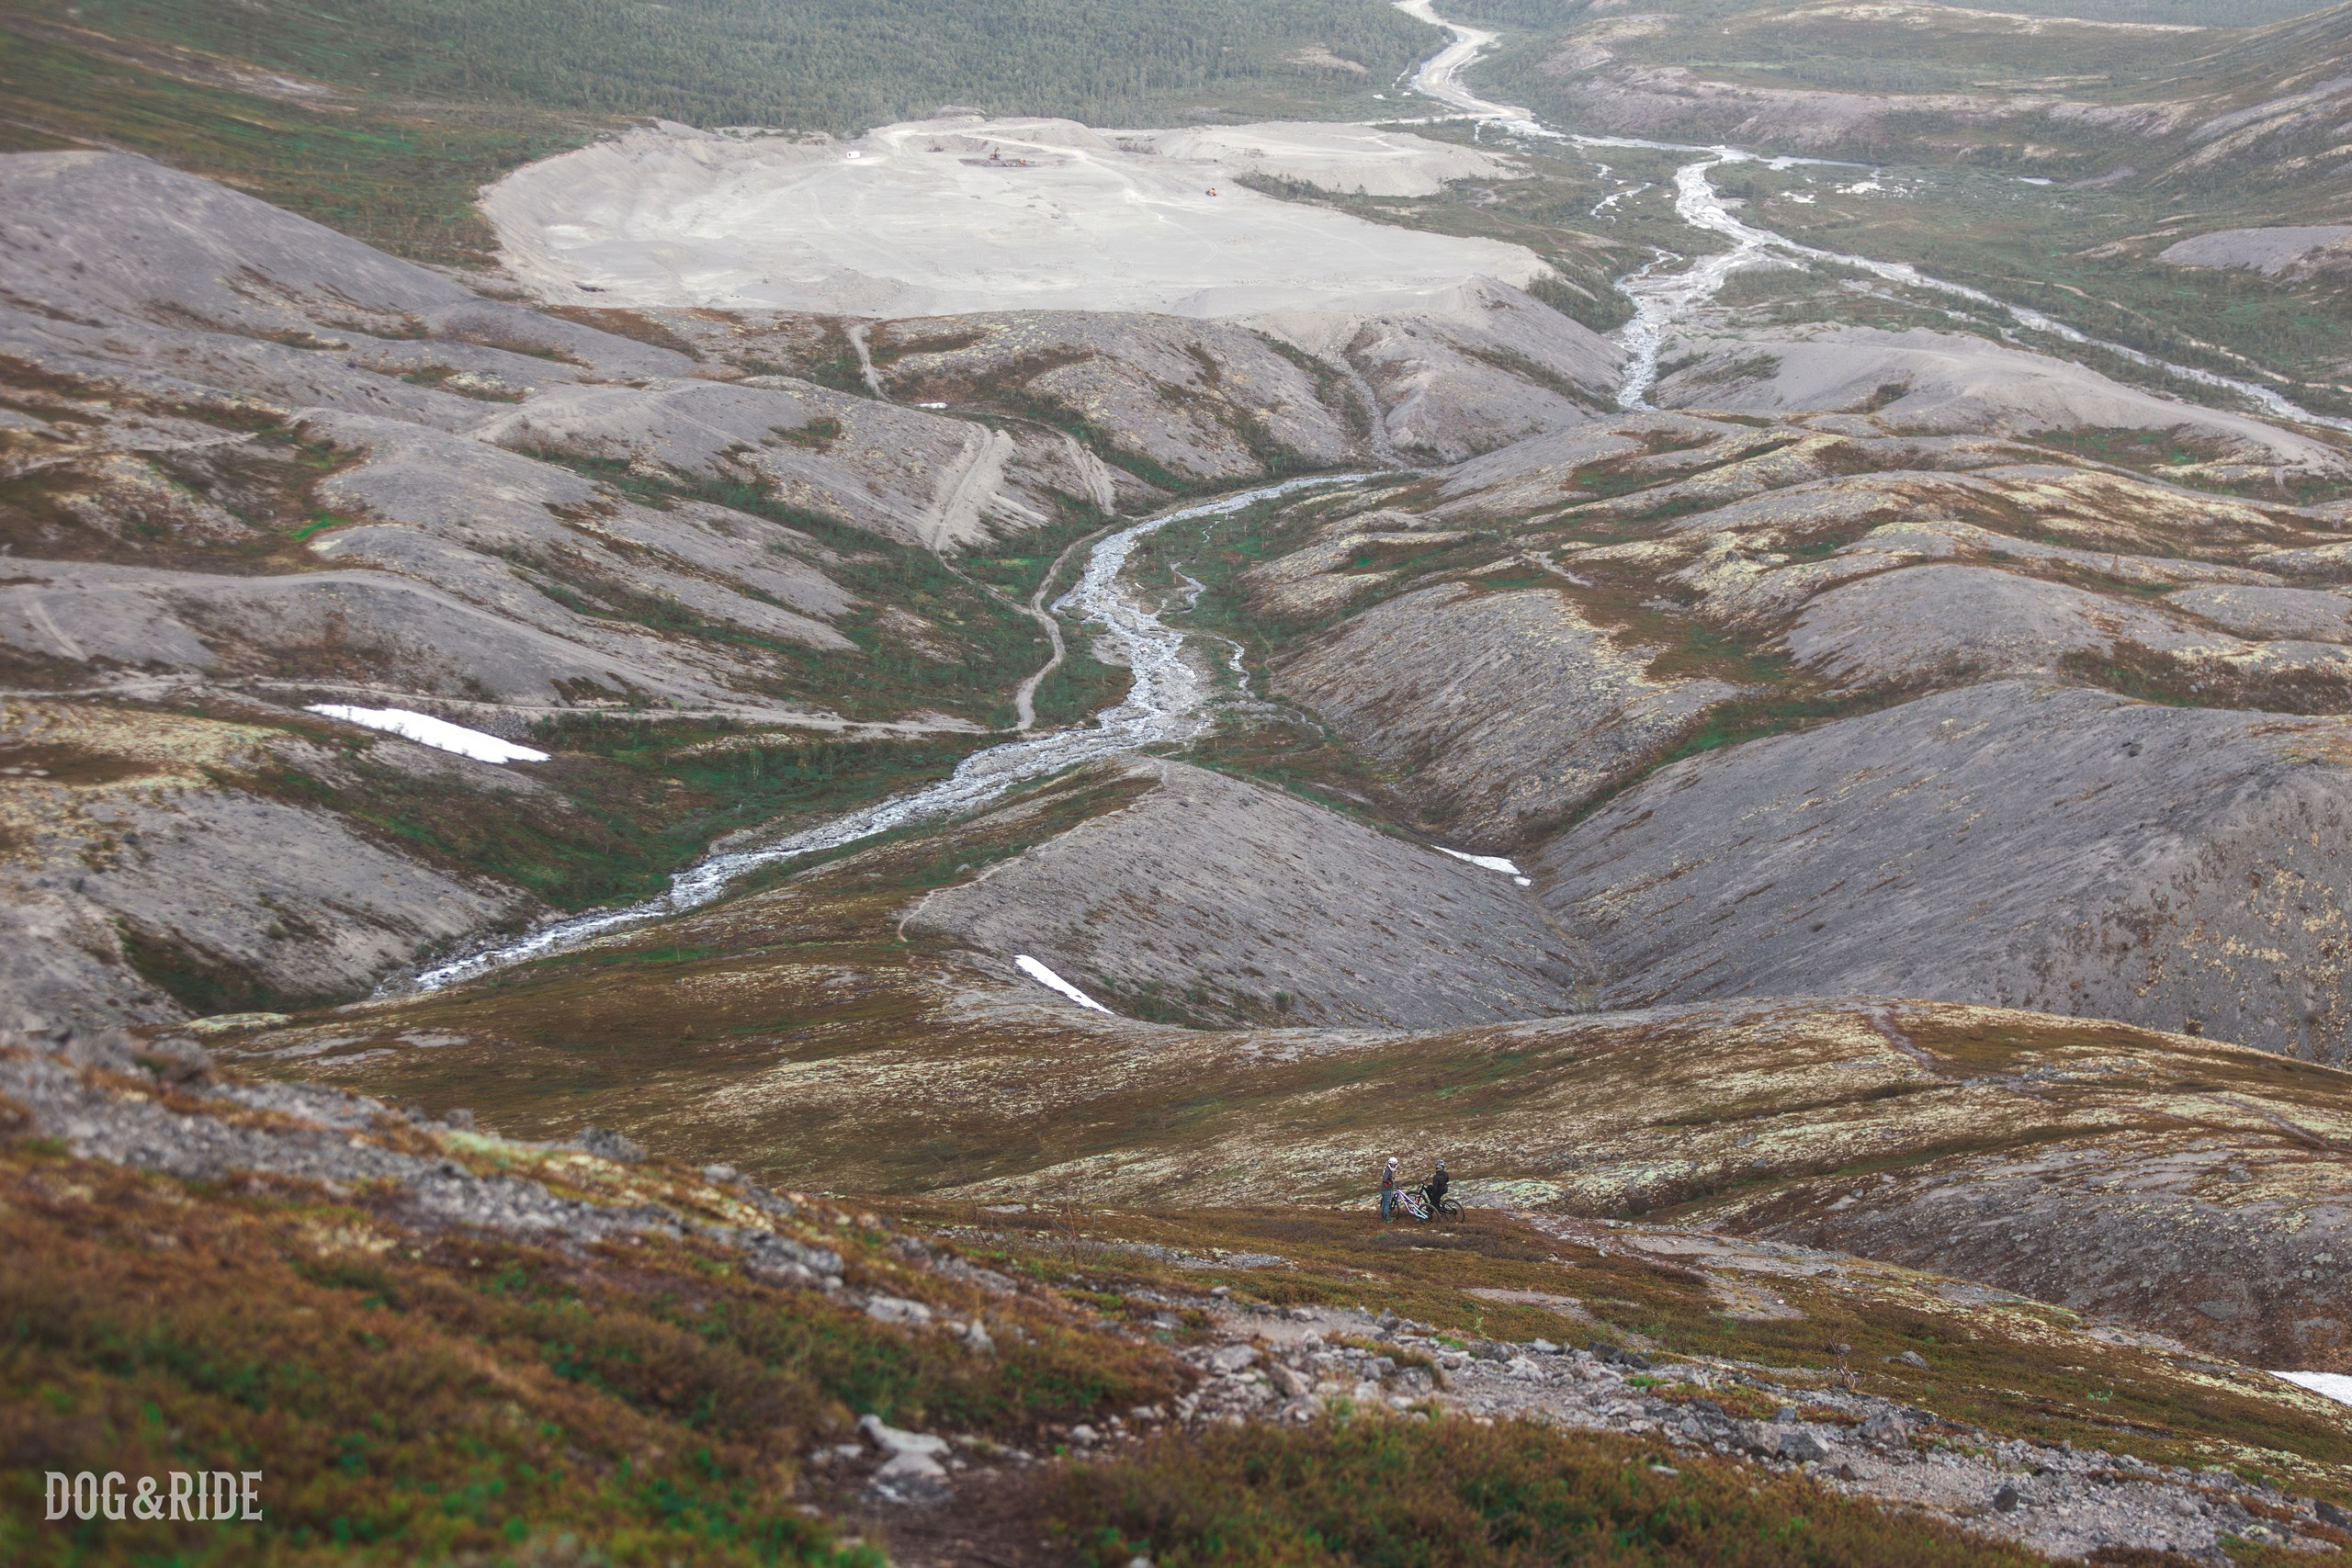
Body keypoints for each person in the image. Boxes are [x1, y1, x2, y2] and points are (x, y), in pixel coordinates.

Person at [1380, 1156, 1399, 1220]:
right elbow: (1385, 1180)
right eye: (1392, 1165)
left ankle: (1383, 1215)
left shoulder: (1386, 1169)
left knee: (1384, 1203)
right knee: (1387, 1204)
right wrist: (1389, 1183)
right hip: (1387, 1189)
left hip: (1384, 1189)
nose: (1393, 1166)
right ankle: (1387, 1217)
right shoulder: (1388, 1171)